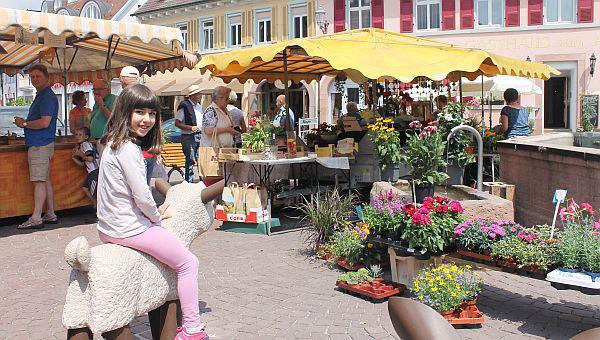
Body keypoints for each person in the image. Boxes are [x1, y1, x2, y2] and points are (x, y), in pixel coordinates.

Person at [97, 84, 208, 339]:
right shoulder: (128, 149)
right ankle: (193, 328)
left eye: (151, 113)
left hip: (108, 227)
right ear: (125, 112)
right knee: (189, 263)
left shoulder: (112, 143)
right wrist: (157, 218)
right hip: (128, 228)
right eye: (139, 112)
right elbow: (143, 195)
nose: (147, 119)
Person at [13, 64, 59, 229]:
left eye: (38, 76)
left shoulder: (46, 96)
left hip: (40, 144)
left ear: (47, 77)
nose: (34, 80)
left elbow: (44, 122)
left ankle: (36, 218)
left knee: (39, 181)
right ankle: (50, 213)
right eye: (32, 77)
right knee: (45, 180)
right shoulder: (43, 95)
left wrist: (24, 123)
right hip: (43, 143)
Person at [175, 84, 204, 182]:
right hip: (188, 136)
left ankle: (202, 180)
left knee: (200, 159)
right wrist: (191, 128)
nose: (201, 95)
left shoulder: (199, 106)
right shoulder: (184, 105)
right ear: (193, 95)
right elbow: (177, 123)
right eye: (199, 93)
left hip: (199, 135)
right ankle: (189, 182)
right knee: (190, 159)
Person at [71, 127, 99, 207]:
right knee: (85, 188)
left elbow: (90, 159)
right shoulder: (82, 146)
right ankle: (95, 205)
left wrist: (80, 154)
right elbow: (83, 164)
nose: (77, 137)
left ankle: (99, 210)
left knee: (95, 191)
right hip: (91, 171)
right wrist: (73, 157)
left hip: (94, 171)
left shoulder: (86, 145)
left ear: (86, 137)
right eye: (76, 135)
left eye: (80, 135)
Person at [90, 79, 117, 158]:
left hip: (106, 142)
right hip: (96, 141)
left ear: (107, 89)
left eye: (99, 89)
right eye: (94, 89)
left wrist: (102, 105)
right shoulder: (97, 101)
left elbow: (113, 120)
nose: (96, 92)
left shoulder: (113, 100)